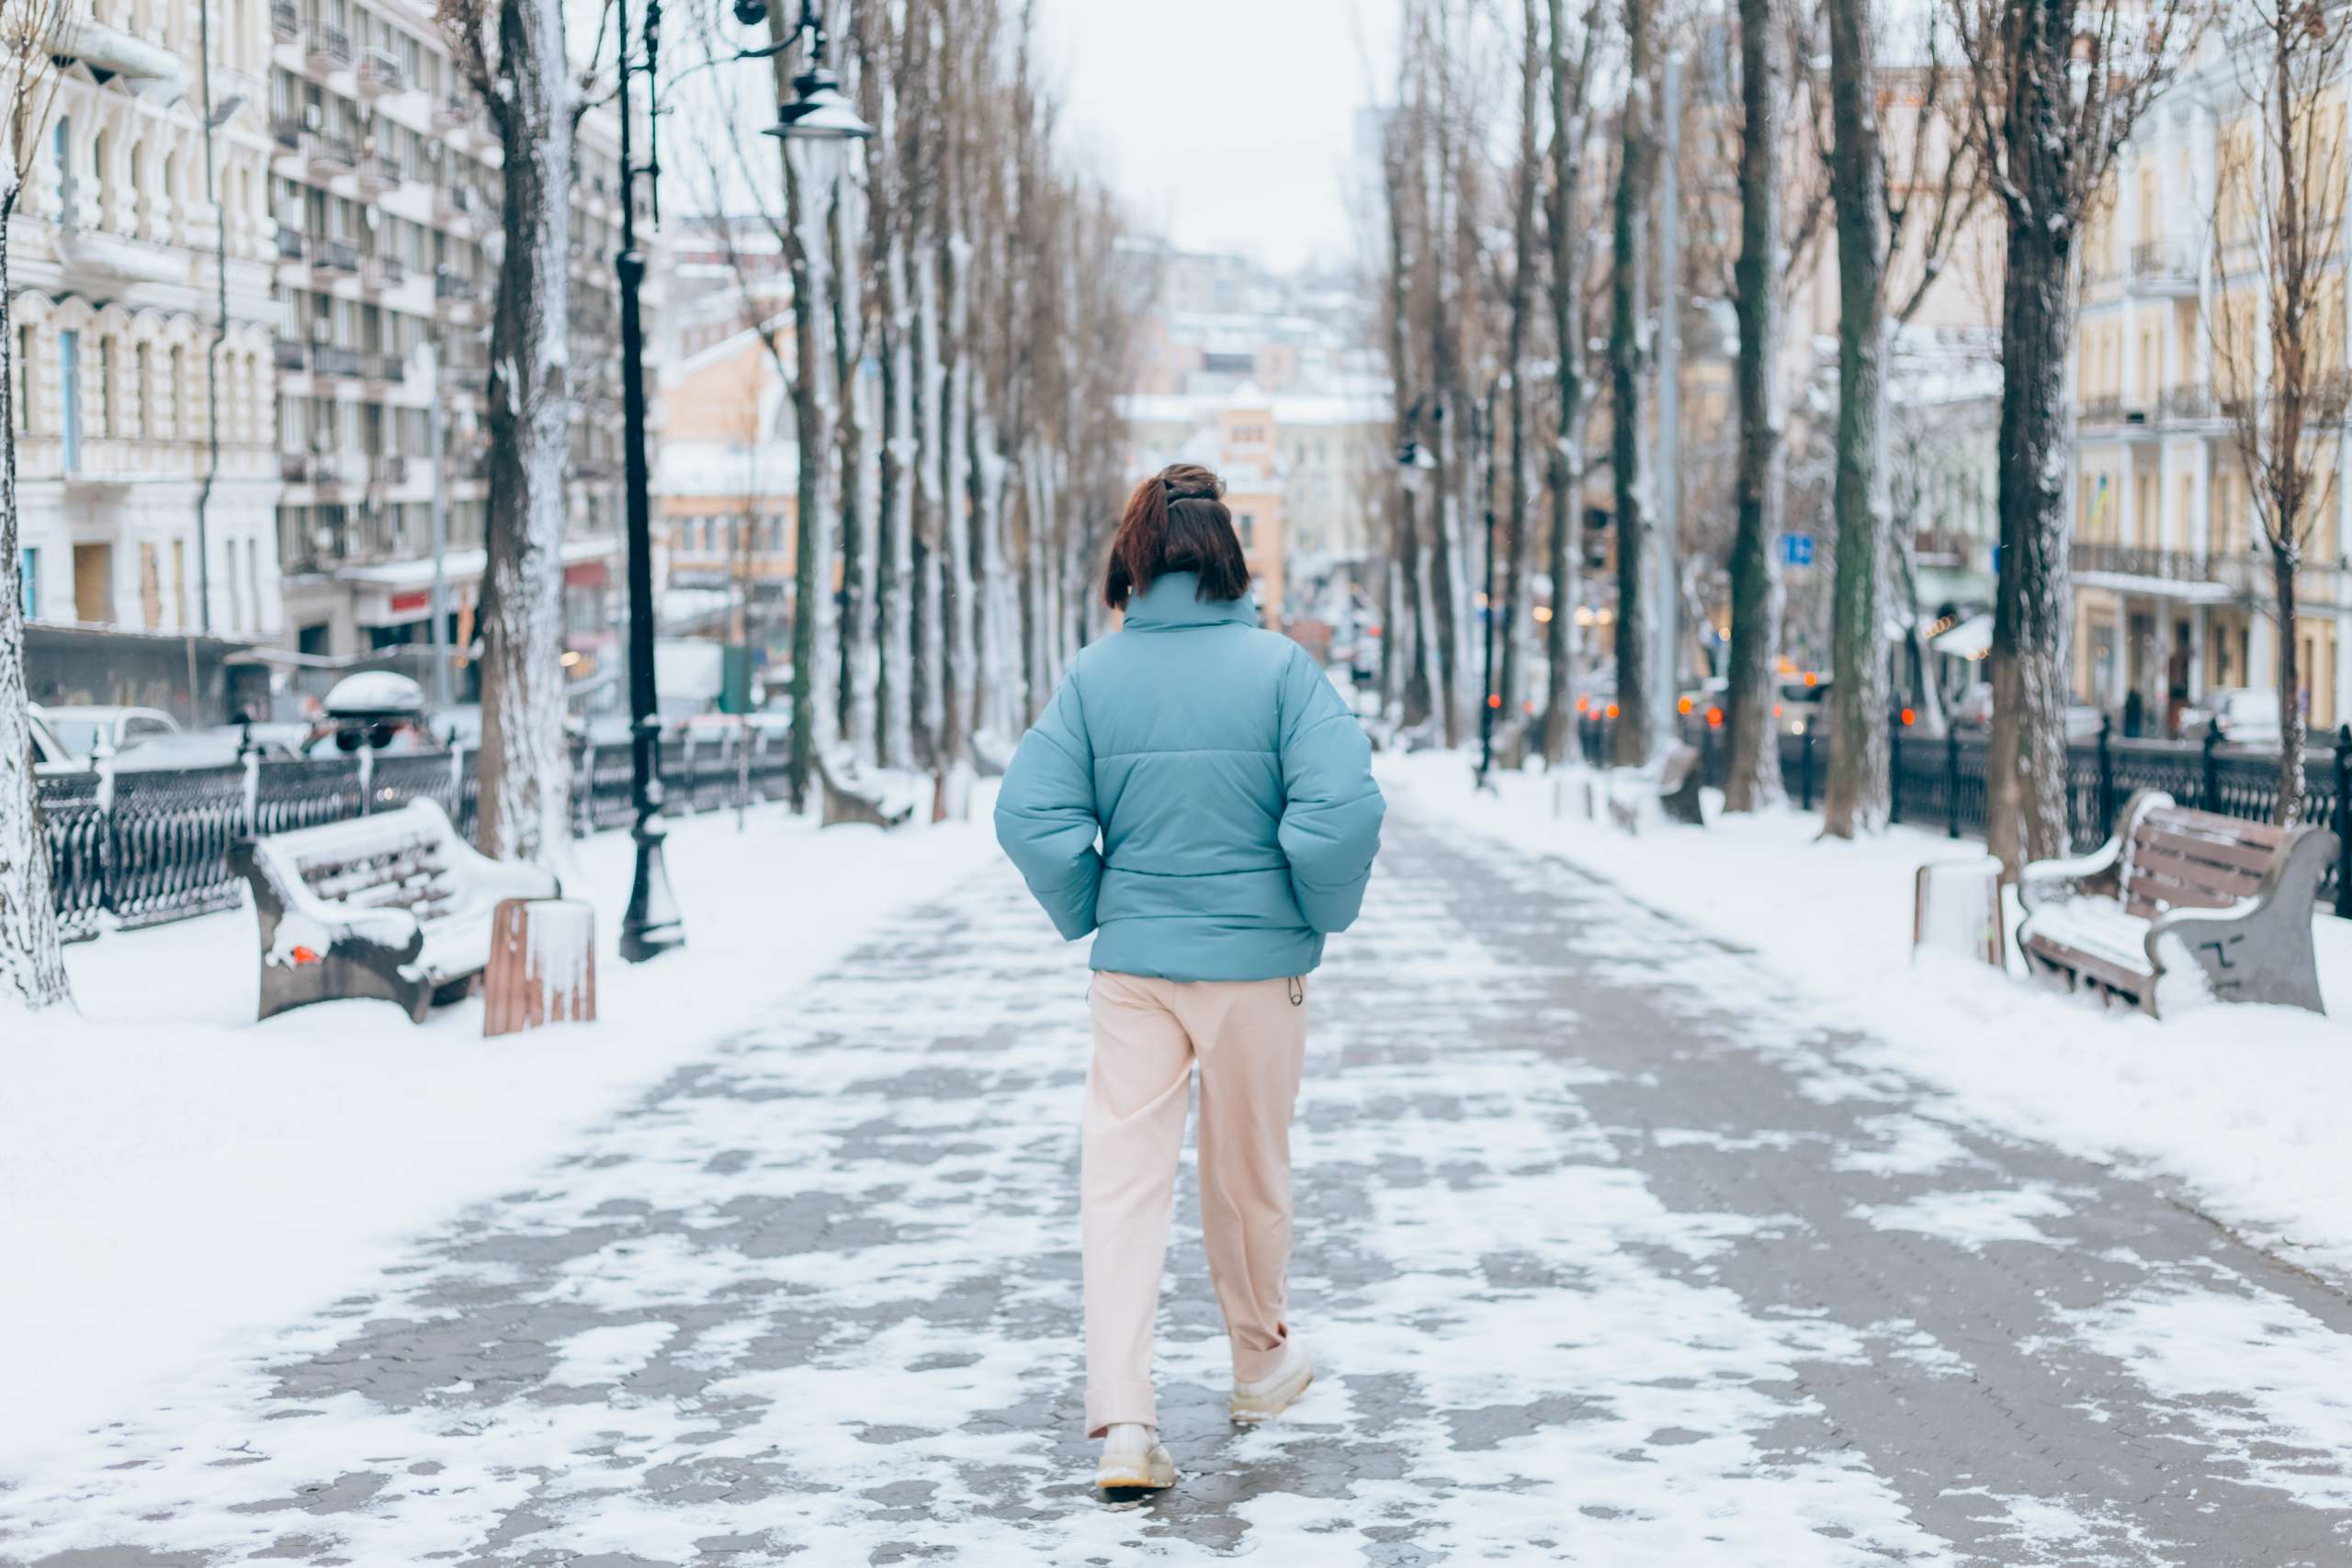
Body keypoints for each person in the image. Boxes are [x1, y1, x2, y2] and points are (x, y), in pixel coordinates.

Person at [995, 462, 1385, 1495]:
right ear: (1229, 564)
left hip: (1134, 973)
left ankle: (1124, 1421)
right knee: (1246, 1173)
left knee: (1120, 1186)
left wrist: (1094, 904)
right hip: (1257, 972)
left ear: (1133, 565)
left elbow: (1025, 817)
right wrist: (1315, 910)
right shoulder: (1281, 673)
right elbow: (1341, 814)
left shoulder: (1093, 678)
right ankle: (1258, 1363)